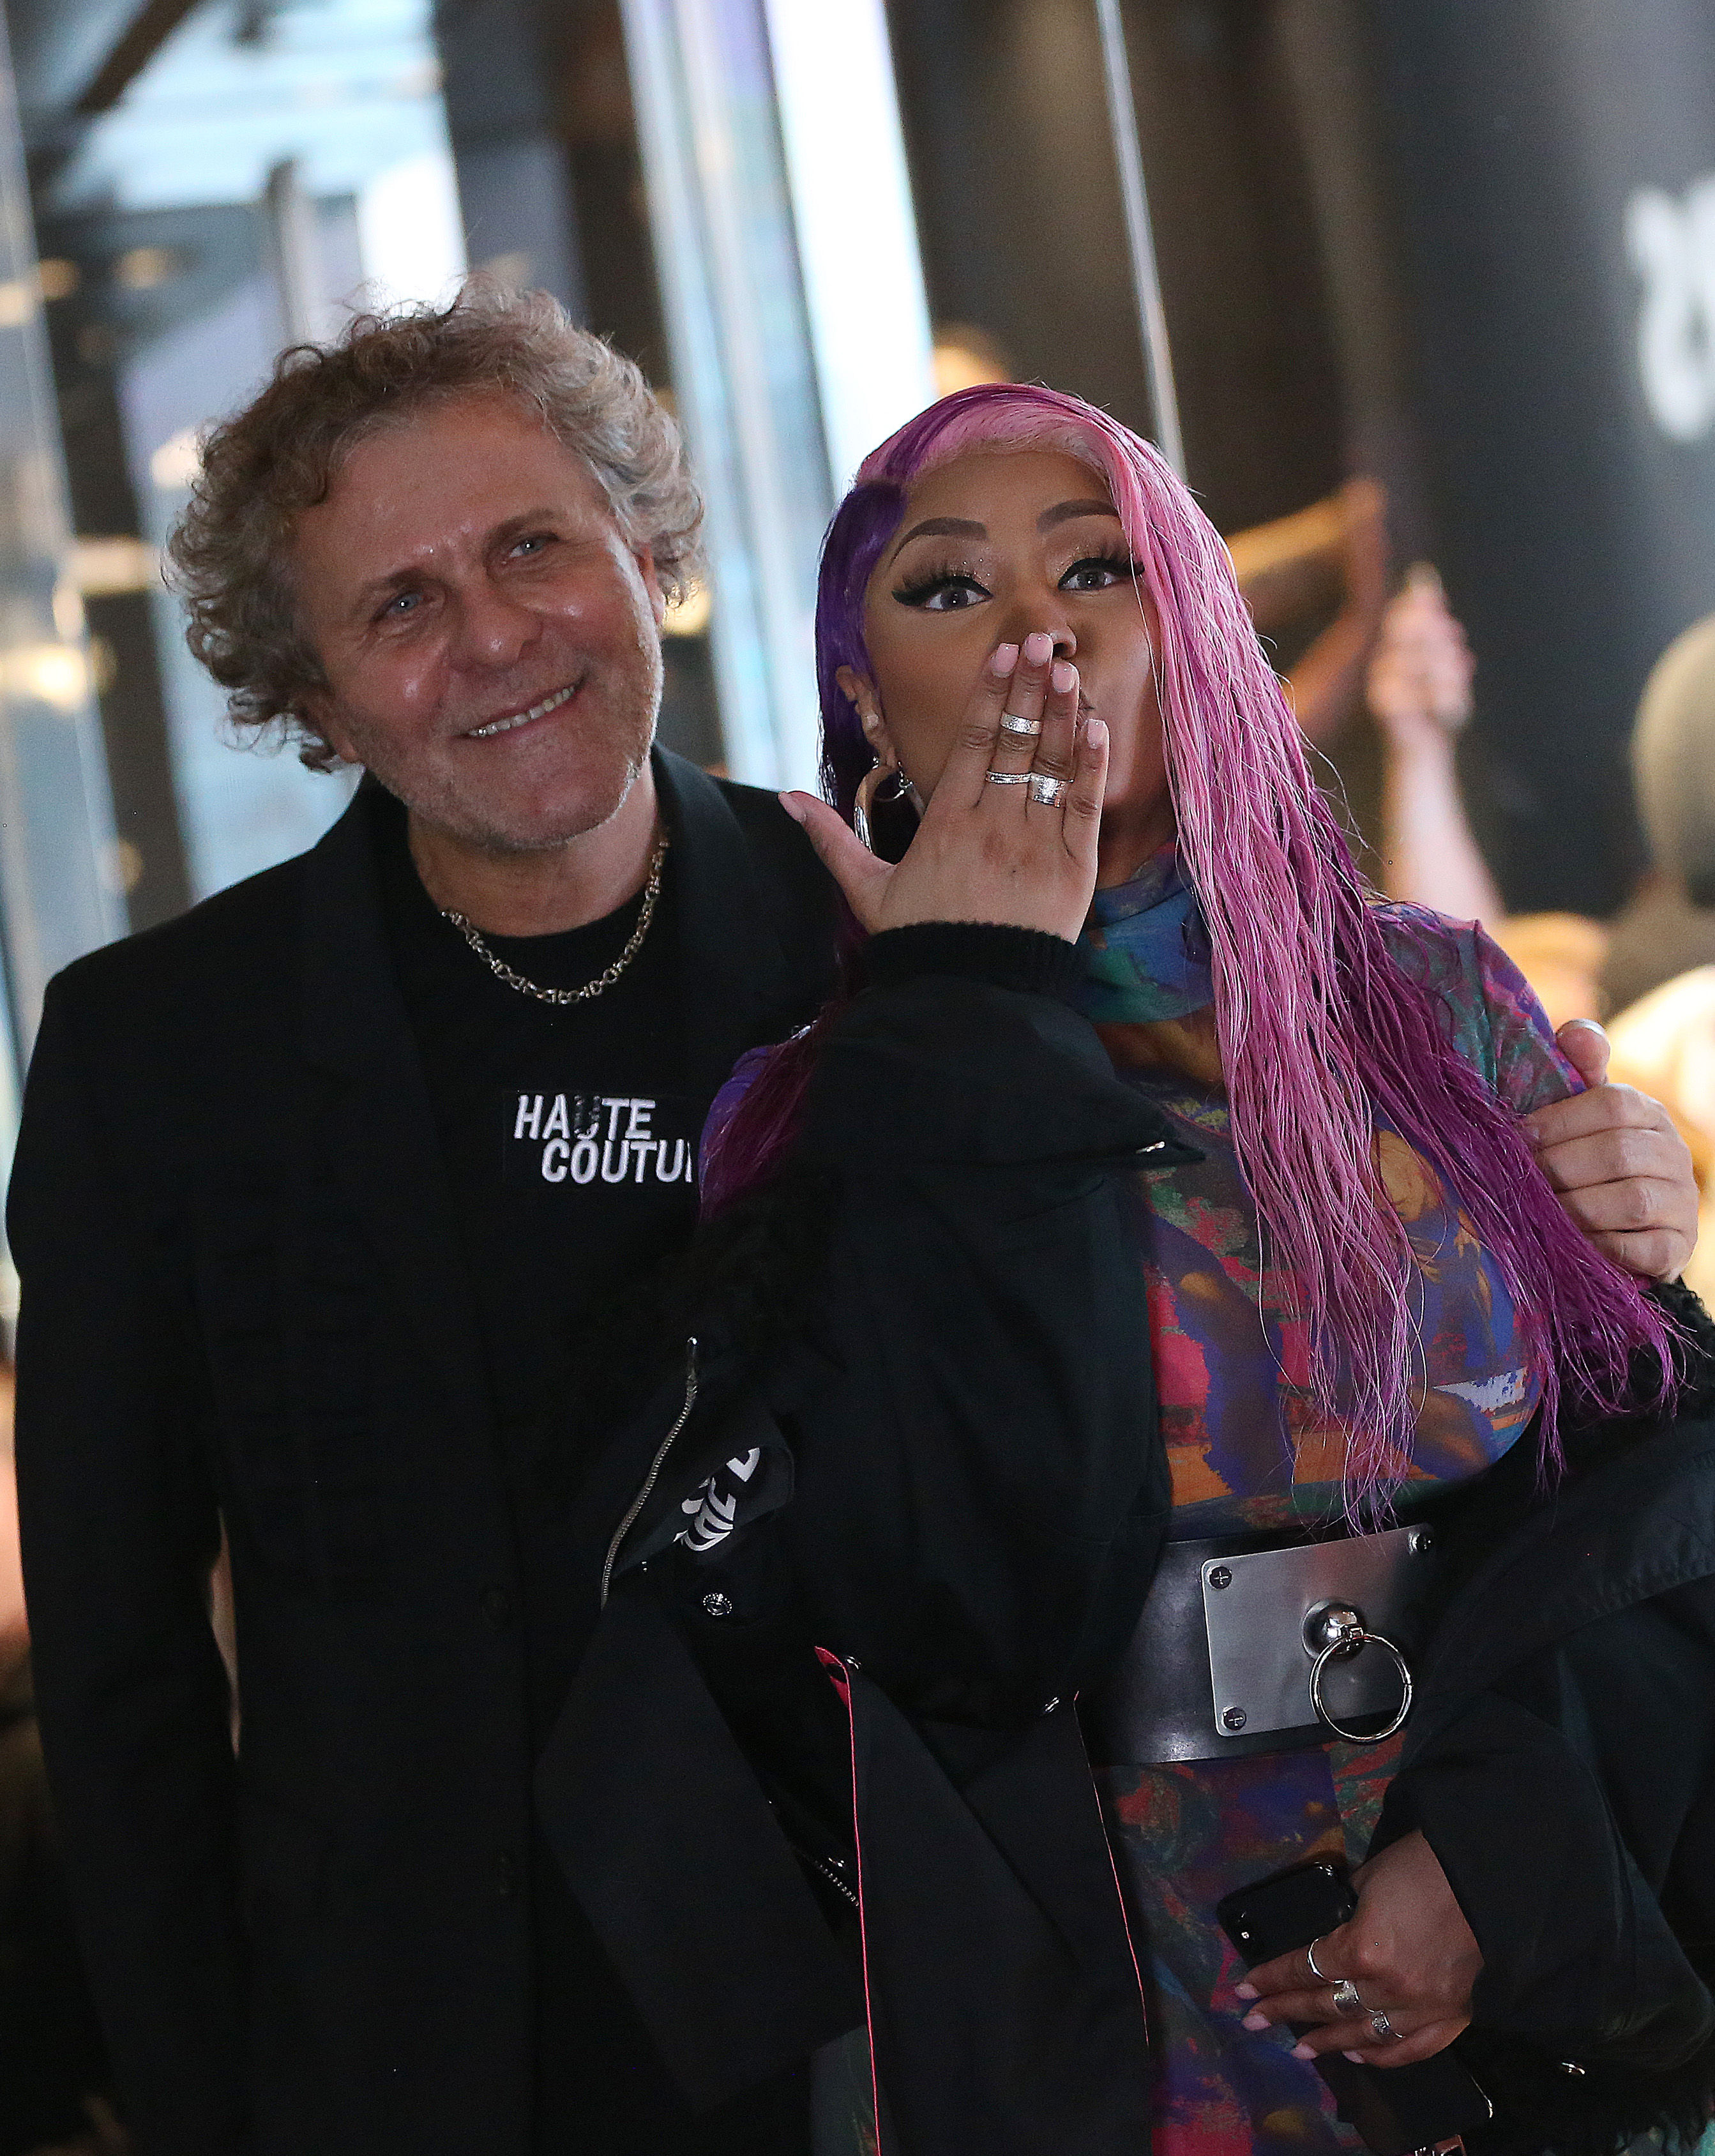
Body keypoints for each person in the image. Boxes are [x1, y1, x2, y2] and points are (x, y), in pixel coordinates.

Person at [3, 287, 1698, 2156]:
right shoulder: (163, 1054)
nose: (492, 634)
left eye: (533, 547)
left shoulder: (891, 943)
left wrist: (1591, 1205)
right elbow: (119, 1672)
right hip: (411, 2029)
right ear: (314, 695)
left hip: (865, 1997)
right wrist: (193, 2103)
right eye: (399, 604)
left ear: (649, 559)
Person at [541, 383, 1715, 2155]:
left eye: (1099, 567)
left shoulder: (1436, 1007)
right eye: (950, 588)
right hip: (1106, 1986)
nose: (1039, 630)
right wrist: (972, 1009)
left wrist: (1502, 1857)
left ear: (1198, 625)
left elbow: (1644, 1514)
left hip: (1508, 1937)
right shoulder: (815, 1113)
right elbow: (951, 1594)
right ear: (867, 698)